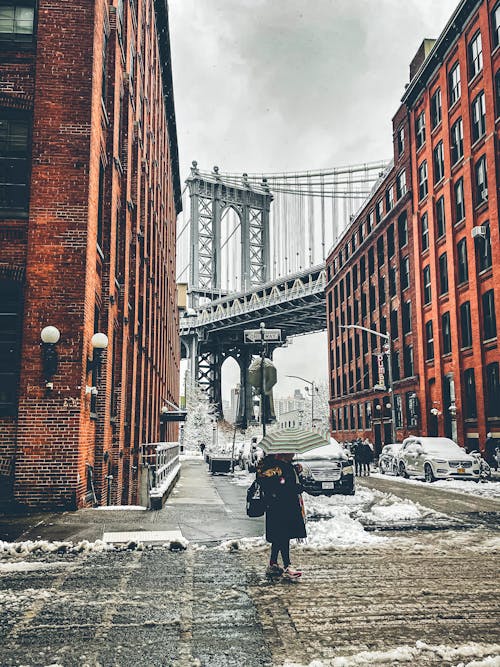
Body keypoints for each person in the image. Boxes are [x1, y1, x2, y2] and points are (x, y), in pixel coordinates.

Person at [256, 452, 306, 580]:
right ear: (282, 454)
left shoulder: (275, 466)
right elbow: (281, 486)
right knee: (283, 537)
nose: (293, 455)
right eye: (291, 453)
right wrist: (296, 488)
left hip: (278, 507)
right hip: (281, 507)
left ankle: (274, 563)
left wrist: (295, 471)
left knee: (281, 537)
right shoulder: (277, 468)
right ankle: (287, 565)